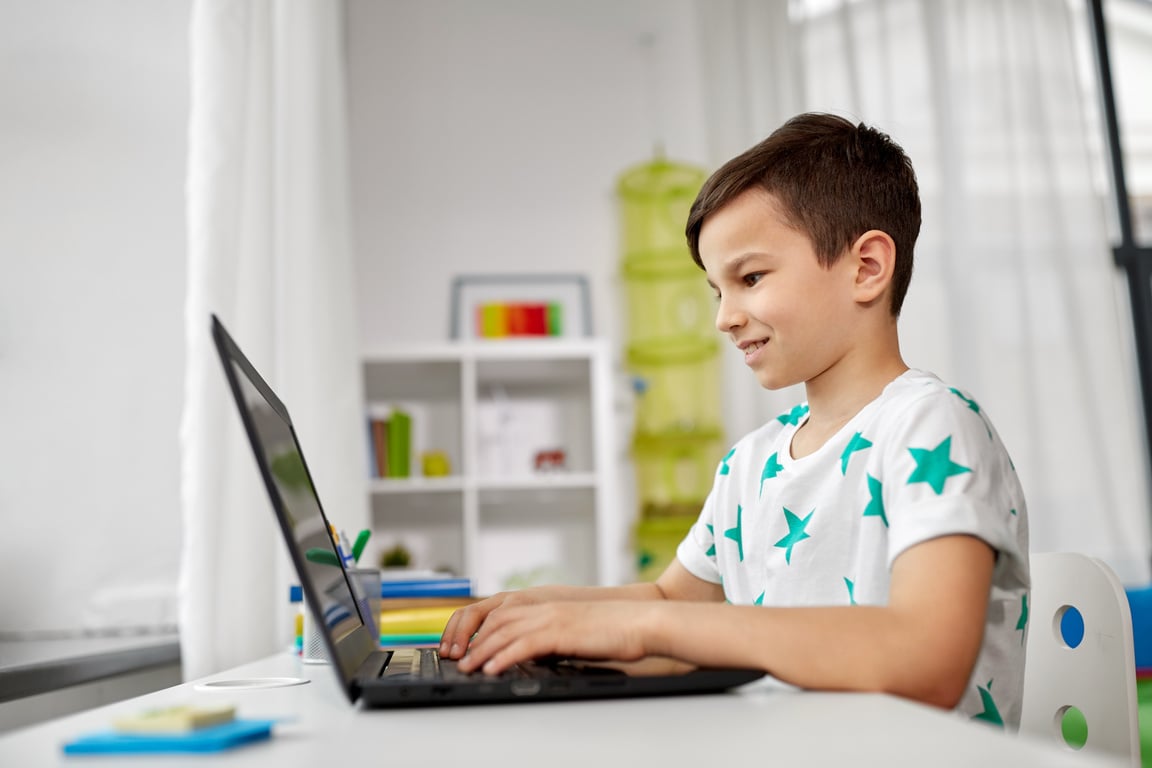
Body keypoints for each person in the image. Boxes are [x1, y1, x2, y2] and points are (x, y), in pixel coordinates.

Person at [440, 112, 1030, 728]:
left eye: (749, 278)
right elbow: (670, 602)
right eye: (717, 293)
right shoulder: (752, 462)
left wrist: (652, 623)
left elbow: (927, 660)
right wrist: (537, 611)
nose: (724, 318)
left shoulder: (931, 426)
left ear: (866, 268)